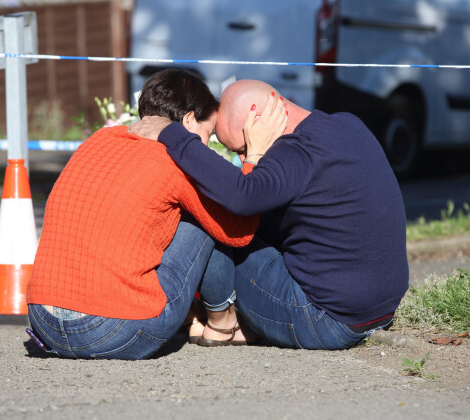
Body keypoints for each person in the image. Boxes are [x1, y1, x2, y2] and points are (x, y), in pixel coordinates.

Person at [128, 79, 409, 350]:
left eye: (242, 148)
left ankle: (222, 322)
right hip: (379, 310)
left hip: (326, 320)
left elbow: (240, 198)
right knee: (256, 223)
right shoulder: (347, 123)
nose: (242, 160)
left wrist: (171, 134)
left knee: (214, 222)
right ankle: (242, 320)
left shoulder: (294, 153)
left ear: (260, 121)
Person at [25, 70, 284, 359]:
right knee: (209, 214)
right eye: (208, 135)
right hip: (114, 330)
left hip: (44, 322)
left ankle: (191, 316)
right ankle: (222, 322)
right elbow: (238, 229)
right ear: (187, 121)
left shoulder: (98, 140)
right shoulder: (179, 161)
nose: (207, 146)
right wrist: (255, 157)